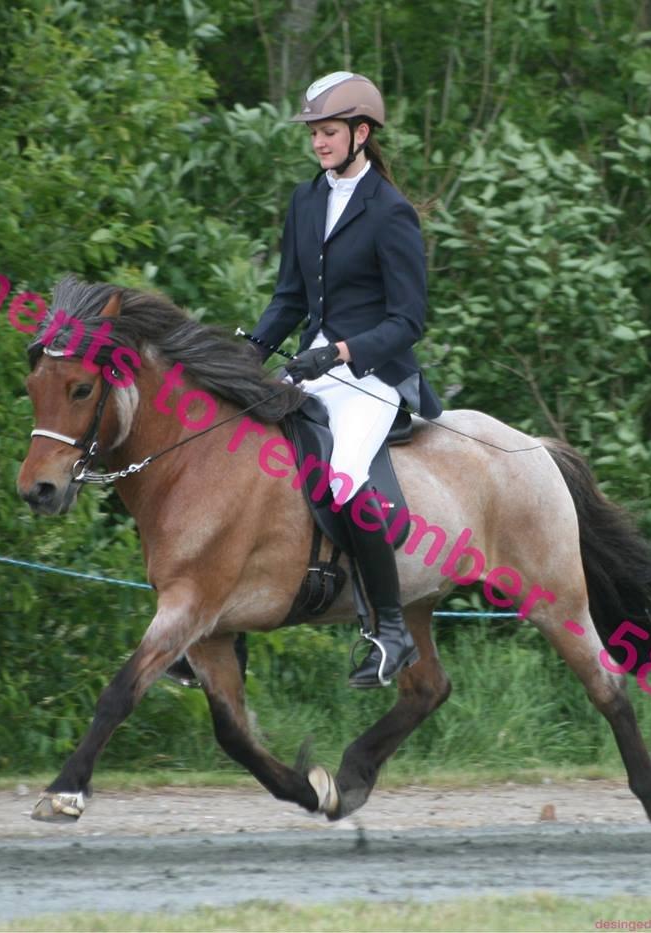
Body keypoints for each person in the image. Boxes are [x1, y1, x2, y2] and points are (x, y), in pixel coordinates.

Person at [250, 71, 443, 688]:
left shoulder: (390, 212)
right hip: (310, 365)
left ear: (361, 133)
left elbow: (407, 321)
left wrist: (338, 353)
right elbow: (288, 297)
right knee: (248, 451)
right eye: (314, 133)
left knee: (343, 477)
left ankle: (391, 630)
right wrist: (246, 355)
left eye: (329, 132)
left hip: (371, 376)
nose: (318, 142)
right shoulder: (306, 200)